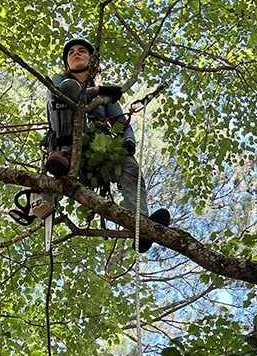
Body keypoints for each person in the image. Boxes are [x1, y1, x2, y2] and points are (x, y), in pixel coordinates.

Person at [44, 37, 170, 252]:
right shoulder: (60, 80)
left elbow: (122, 123)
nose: (76, 53)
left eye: (82, 51)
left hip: (97, 151)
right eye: (71, 52)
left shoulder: (108, 99)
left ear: (93, 61)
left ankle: (141, 224)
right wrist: (97, 92)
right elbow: (66, 95)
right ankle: (64, 154)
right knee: (69, 87)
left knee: (129, 165)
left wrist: (128, 142)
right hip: (66, 141)